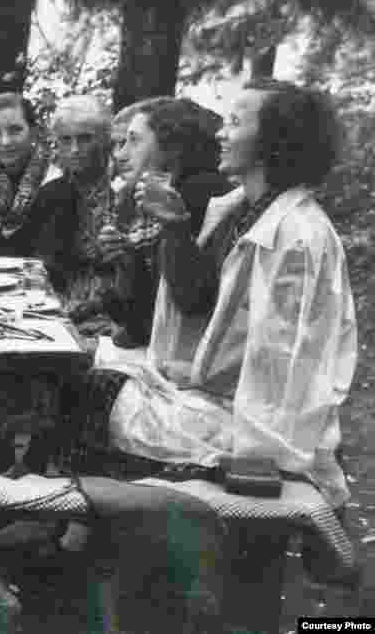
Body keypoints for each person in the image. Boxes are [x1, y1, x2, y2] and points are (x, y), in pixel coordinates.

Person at [64, 79, 356, 511]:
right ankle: (83, 527)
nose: (219, 131)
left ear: (274, 142)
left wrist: (260, 468)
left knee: (89, 391)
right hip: (220, 398)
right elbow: (209, 317)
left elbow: (287, 363)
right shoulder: (240, 210)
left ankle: (82, 532)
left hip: (263, 435)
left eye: (235, 122)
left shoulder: (297, 236)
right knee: (79, 383)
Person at [96, 98, 231, 347]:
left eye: (134, 141)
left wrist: (173, 226)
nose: (121, 154)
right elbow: (132, 324)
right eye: (121, 143)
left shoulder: (200, 196)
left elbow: (192, 302)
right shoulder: (147, 199)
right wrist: (124, 260)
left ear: (171, 147)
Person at [0, 92, 78, 280]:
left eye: (15, 130)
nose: (5, 142)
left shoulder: (57, 184)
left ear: (33, 131)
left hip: (35, 292)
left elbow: (50, 262)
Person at [44, 95, 113, 315]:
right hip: (59, 306)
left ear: (104, 140)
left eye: (85, 139)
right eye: (66, 140)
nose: (74, 149)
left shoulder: (123, 190)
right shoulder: (51, 193)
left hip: (115, 314)